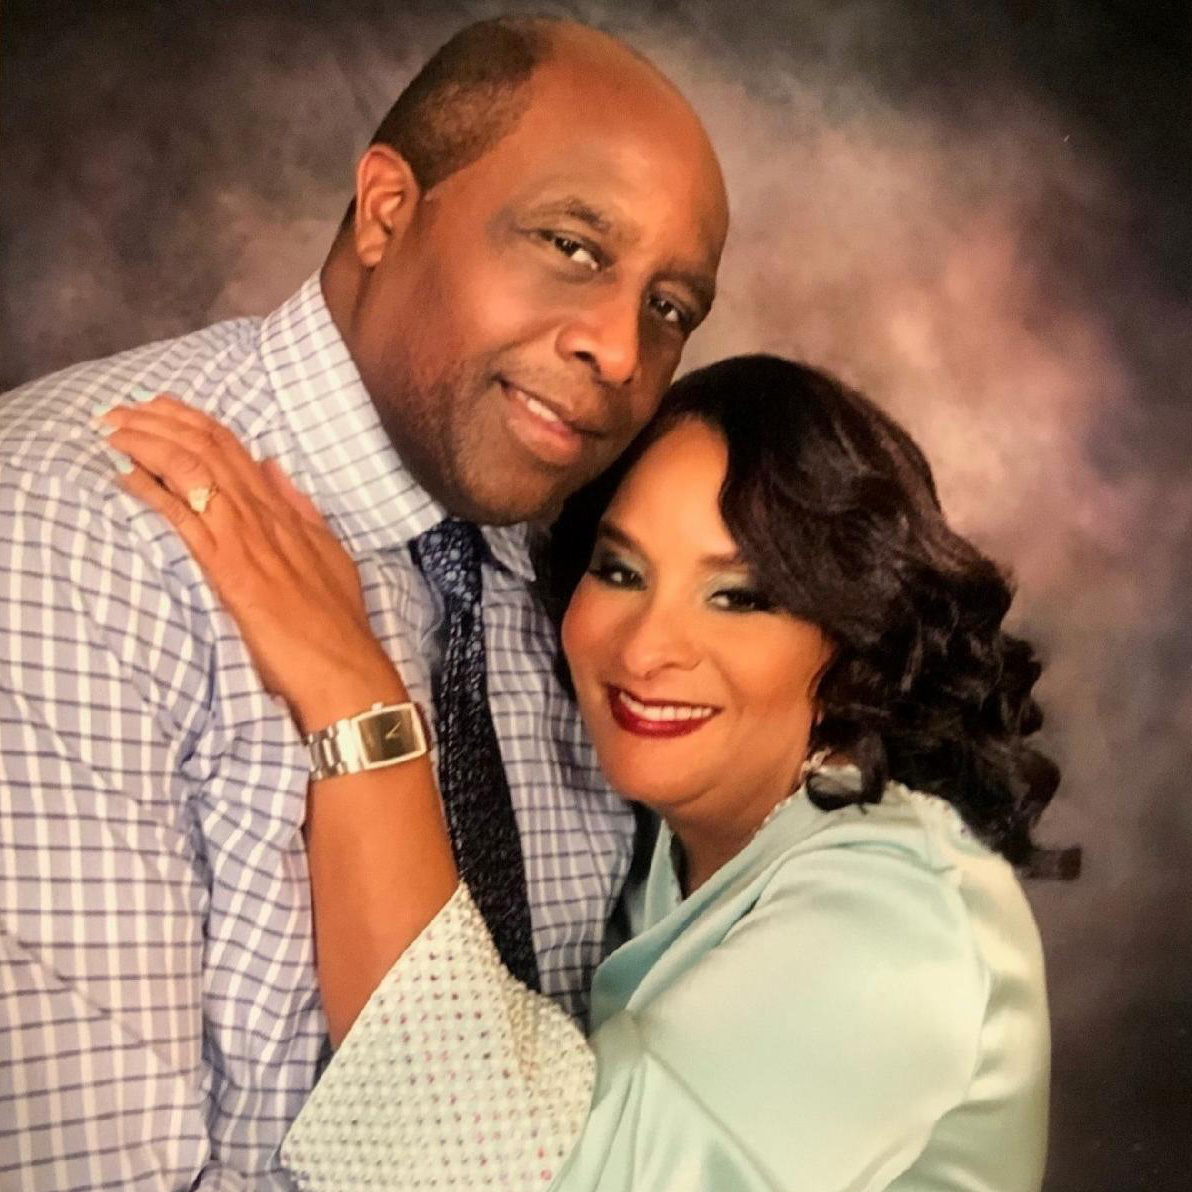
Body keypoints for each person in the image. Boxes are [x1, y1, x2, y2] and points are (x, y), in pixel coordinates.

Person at [0, 16, 727, 1189]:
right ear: (388, 209)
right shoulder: (80, 532)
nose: (618, 349)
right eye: (574, 246)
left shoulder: (598, 602)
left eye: (672, 307)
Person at [103, 354, 1057, 1190]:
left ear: (854, 638)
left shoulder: (897, 916)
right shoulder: (682, 839)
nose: (647, 650)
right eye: (621, 570)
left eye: (738, 596)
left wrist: (353, 695)